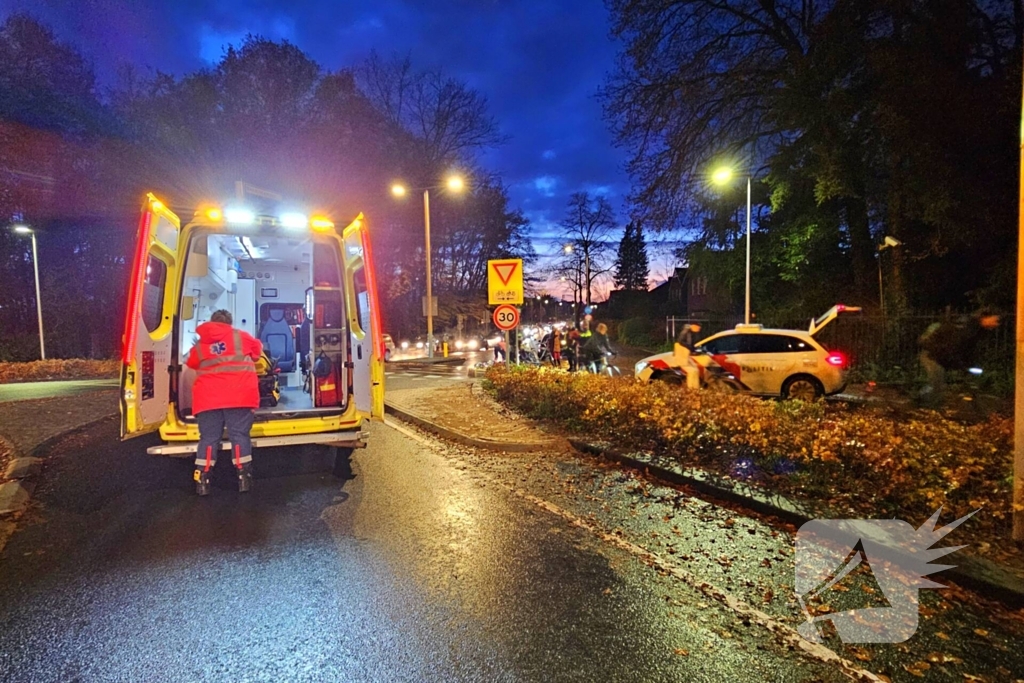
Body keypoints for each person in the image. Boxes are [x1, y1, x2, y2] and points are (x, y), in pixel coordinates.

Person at [185, 309, 263, 496]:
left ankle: (202, 481)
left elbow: (192, 363)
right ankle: (243, 478)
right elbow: (257, 352)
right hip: (239, 396)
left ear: (212, 322)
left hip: (208, 400)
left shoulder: (200, 345)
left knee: (209, 439)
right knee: (239, 436)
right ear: (229, 322)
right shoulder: (240, 337)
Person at [917, 310, 1000, 406]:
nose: (996, 324)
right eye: (995, 319)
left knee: (938, 384)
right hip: (932, 355)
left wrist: (968, 364)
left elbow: (968, 350)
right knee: (936, 384)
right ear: (985, 317)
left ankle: (929, 403)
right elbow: (954, 347)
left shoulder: (977, 330)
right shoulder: (968, 328)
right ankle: (920, 402)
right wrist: (961, 364)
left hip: (942, 355)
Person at [674, 323, 703, 390]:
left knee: (695, 370)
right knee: (692, 371)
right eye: (698, 328)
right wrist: (690, 348)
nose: (699, 330)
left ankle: (695, 387)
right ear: (694, 326)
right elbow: (680, 341)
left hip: (686, 355)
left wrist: (692, 349)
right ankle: (691, 388)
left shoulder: (691, 332)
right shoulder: (686, 331)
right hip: (682, 356)